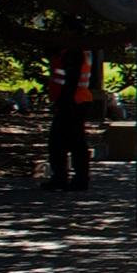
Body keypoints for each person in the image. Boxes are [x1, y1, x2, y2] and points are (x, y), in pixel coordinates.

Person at [44, 40, 94, 190]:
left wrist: (63, 103)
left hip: (73, 102)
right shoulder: (74, 51)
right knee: (64, 142)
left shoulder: (73, 53)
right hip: (76, 101)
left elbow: (71, 81)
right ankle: (67, 177)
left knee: (69, 141)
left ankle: (73, 178)